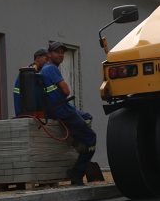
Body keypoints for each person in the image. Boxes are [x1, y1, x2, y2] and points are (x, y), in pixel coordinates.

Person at [40, 42, 97, 186]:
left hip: (60, 108)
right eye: (57, 52)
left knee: (87, 117)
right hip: (62, 110)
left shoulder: (45, 69)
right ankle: (77, 174)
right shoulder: (51, 69)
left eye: (62, 52)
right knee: (91, 138)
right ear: (49, 54)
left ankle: (77, 139)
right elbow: (66, 91)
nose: (60, 55)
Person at [12, 48, 49, 116]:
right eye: (46, 59)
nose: (47, 62)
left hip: (43, 113)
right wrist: (19, 113)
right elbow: (17, 93)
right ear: (37, 58)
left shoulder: (44, 73)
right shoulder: (25, 73)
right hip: (29, 113)